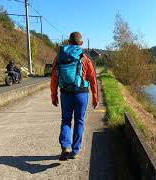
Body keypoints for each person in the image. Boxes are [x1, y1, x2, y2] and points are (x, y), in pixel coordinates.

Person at [50, 32, 98, 160]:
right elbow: (92, 79)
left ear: (69, 41)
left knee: (66, 120)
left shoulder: (59, 56)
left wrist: (53, 95)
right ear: (81, 43)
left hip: (65, 93)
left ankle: (65, 147)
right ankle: (75, 150)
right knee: (79, 121)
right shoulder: (85, 58)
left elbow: (54, 77)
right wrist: (95, 96)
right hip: (81, 94)